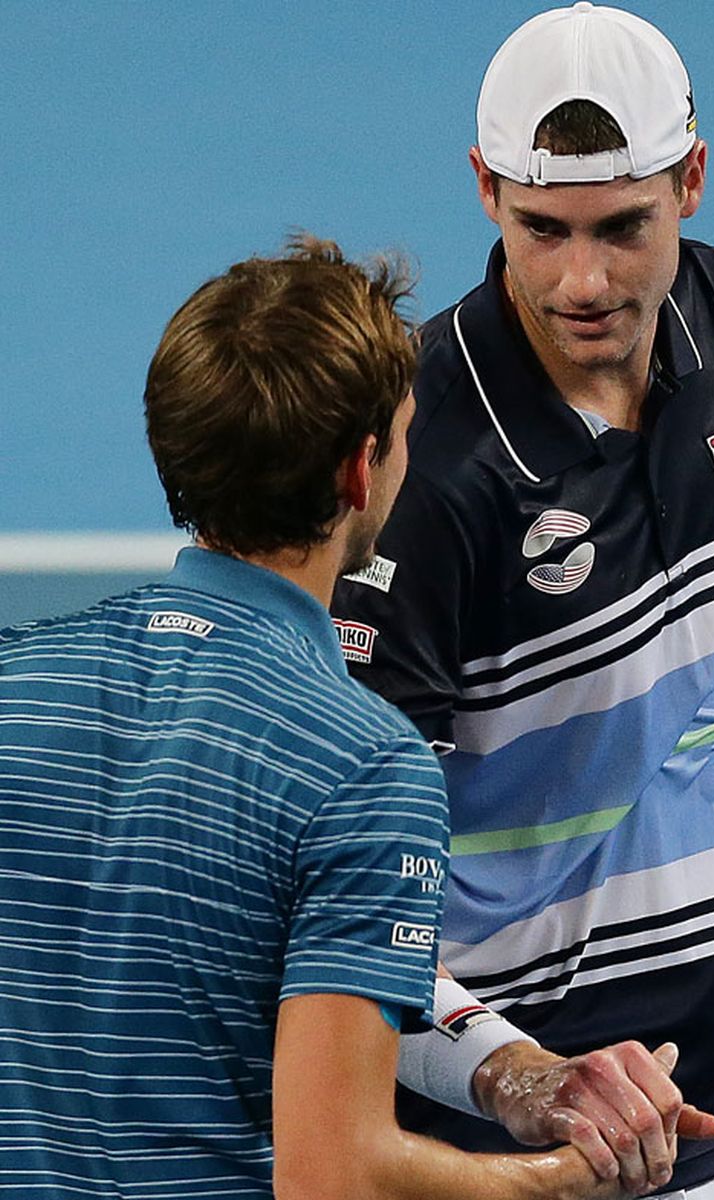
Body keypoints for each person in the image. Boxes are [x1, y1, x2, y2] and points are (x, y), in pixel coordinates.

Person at [0, 236, 637, 1199]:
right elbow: (333, 1173)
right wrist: (554, 1179)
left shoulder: (16, 677)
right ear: (358, 473)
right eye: (407, 434)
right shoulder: (364, 769)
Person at [332, 6, 714, 1197]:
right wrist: (525, 1080)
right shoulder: (421, 475)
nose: (584, 281)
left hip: (710, 1072)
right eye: (541, 230)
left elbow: (696, 701)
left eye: (623, 228)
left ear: (692, 181)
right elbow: (340, 905)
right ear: (485, 189)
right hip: (488, 1116)